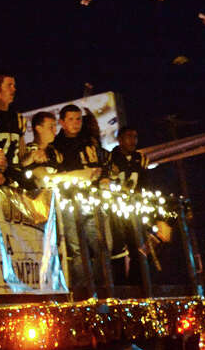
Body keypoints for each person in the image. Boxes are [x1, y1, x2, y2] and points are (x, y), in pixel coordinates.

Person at [47, 104, 105, 293]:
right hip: (68, 202)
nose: (75, 123)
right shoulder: (55, 146)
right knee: (76, 248)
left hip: (93, 200)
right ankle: (82, 289)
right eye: (70, 119)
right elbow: (55, 175)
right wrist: (81, 174)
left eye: (78, 119)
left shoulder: (90, 142)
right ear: (62, 122)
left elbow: (101, 166)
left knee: (101, 244)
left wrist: (101, 177)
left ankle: (101, 285)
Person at [0, 73, 28, 185]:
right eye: (9, 85)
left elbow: (22, 156)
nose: (14, 89)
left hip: (15, 178)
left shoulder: (18, 118)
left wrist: (34, 155)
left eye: (14, 85)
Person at [108, 126, 147, 190]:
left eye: (135, 137)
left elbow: (145, 182)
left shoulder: (141, 159)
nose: (133, 140)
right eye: (129, 136)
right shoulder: (110, 158)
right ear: (120, 139)